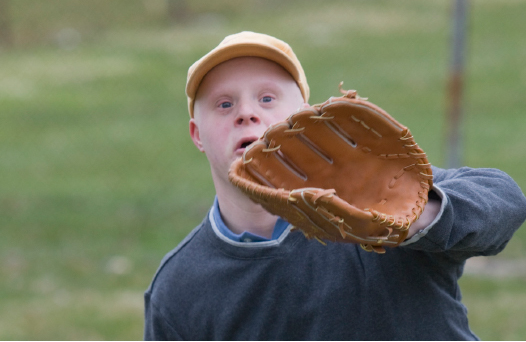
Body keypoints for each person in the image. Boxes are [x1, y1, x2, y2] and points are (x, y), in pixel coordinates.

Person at [143, 31, 526, 340]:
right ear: (197, 135)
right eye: (224, 105)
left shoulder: (380, 196)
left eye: (267, 97)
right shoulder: (181, 286)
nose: (247, 113)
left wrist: (413, 220)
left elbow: (505, 202)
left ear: (303, 114)